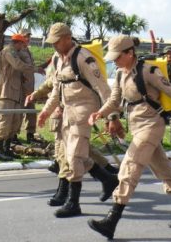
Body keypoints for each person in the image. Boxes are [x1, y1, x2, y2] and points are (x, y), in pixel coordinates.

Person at [87, 36, 171, 239]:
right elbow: (115, 100)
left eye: (118, 57)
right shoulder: (119, 74)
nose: (115, 61)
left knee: (129, 167)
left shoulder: (148, 71)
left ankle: (112, 220)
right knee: (163, 170)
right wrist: (101, 113)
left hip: (152, 125)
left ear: (129, 53)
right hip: (137, 126)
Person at [36, 22, 118, 218]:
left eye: (57, 41)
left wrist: (112, 116)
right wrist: (46, 111)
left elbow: (103, 88)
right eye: (52, 42)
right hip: (67, 112)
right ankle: (107, 179)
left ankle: (73, 203)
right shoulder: (57, 59)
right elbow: (56, 89)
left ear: (67, 38)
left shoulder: (83, 58)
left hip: (85, 110)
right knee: (76, 155)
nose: (54, 45)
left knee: (73, 157)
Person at [0, 33, 36, 161]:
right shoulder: (8, 51)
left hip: (15, 93)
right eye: (23, 43)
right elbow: (18, 65)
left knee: (15, 121)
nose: (24, 46)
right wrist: (34, 69)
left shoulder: (15, 52)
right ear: (18, 42)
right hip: (6, 92)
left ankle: (7, 148)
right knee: (5, 121)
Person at [18, 31, 39, 144]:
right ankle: (14, 136)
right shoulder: (18, 51)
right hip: (21, 87)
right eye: (25, 37)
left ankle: (30, 134)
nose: (28, 39)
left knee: (31, 112)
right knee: (19, 112)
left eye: (29, 37)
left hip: (30, 87)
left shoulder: (27, 51)